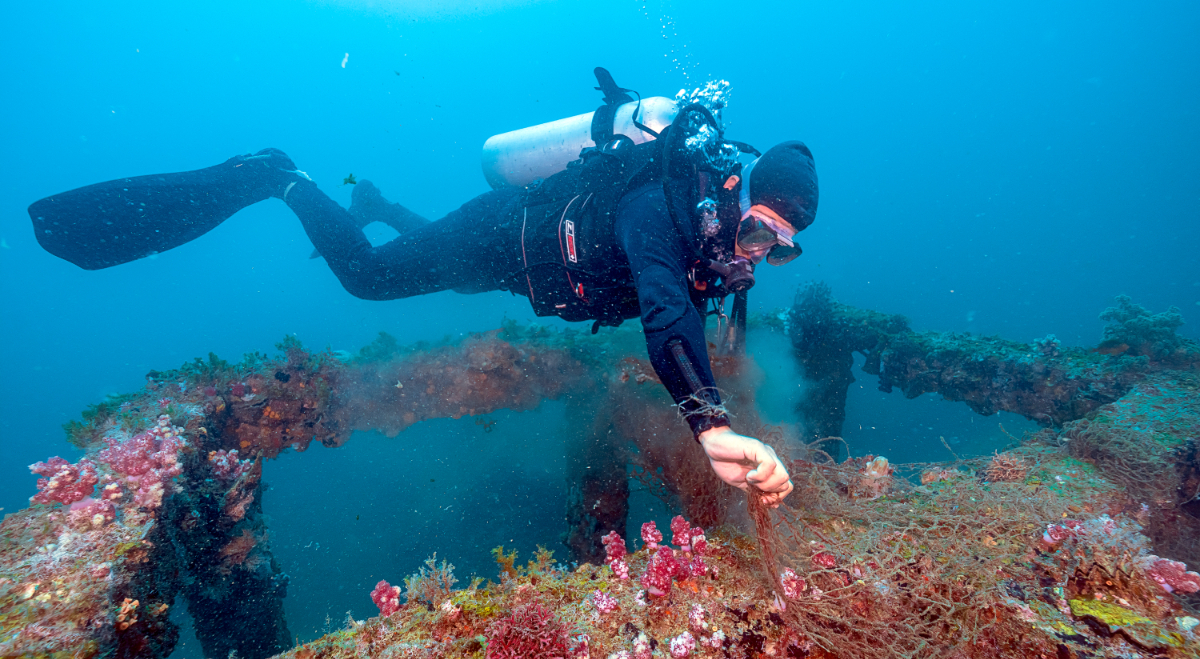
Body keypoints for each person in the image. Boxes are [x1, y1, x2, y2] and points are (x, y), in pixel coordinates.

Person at [29, 97, 817, 509]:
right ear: (730, 191)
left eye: (776, 248)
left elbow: (696, 315)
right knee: (370, 278)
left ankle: (373, 200)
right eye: (754, 231)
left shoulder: (717, 247)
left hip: (527, 273)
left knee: (445, 269)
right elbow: (660, 305)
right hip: (504, 235)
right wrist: (709, 422)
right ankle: (280, 175)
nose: (754, 257)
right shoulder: (664, 203)